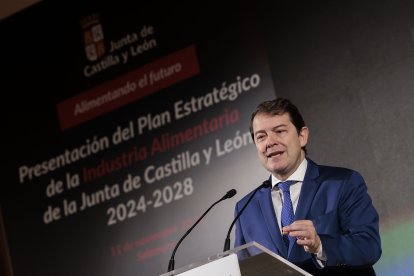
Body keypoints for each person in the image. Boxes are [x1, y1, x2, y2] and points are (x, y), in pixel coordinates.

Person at [234, 98, 381, 275]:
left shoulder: (343, 183)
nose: (269, 142)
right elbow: (242, 269)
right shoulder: (245, 209)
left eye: (279, 131)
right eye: (261, 137)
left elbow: (369, 247)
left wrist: (320, 245)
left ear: (302, 136)